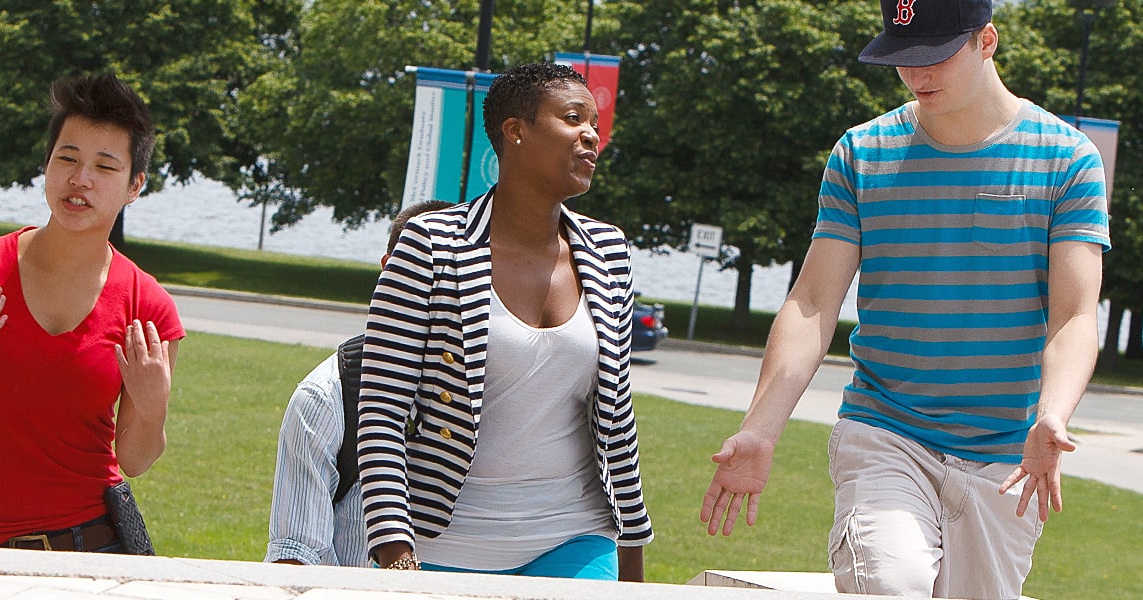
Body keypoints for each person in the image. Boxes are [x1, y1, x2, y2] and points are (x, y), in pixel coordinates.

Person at [699, 1, 1109, 597]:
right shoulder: (862, 153)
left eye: (935, 56)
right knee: (893, 582)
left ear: (986, 41)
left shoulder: (1067, 159)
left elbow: (1074, 315)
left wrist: (1054, 412)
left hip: (1005, 458)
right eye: (902, 58)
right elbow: (812, 302)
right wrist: (761, 429)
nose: (917, 74)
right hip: (885, 431)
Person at [356, 62, 652, 581]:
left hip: (576, 535)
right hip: (448, 540)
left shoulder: (609, 251)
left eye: (594, 123)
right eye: (573, 118)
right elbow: (381, 412)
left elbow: (616, 417)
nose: (591, 135)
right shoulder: (432, 245)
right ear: (515, 131)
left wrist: (632, 562)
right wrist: (396, 555)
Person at [0, 73, 182, 553]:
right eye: (67, 158)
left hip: (93, 546)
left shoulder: (149, 306)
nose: (81, 179)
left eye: (105, 166)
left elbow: (136, 459)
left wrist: (153, 403)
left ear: (134, 185)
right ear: (47, 164)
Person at [265, 200, 449, 567]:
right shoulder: (325, 399)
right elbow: (296, 558)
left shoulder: (506, 395)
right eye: (423, 275)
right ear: (388, 270)